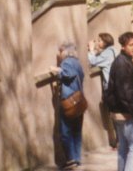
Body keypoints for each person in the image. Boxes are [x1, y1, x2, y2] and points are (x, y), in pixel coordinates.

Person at [107, 31, 133, 171]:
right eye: (131, 45)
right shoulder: (123, 64)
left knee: (124, 149)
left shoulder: (122, 61)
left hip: (119, 113)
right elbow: (126, 94)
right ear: (123, 46)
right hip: (127, 114)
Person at [50, 42, 85, 170]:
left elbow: (67, 74)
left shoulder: (67, 62)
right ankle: (77, 158)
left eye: (59, 52)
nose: (58, 55)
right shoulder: (78, 62)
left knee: (66, 131)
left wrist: (56, 70)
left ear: (64, 51)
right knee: (76, 131)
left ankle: (70, 159)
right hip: (78, 100)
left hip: (69, 100)